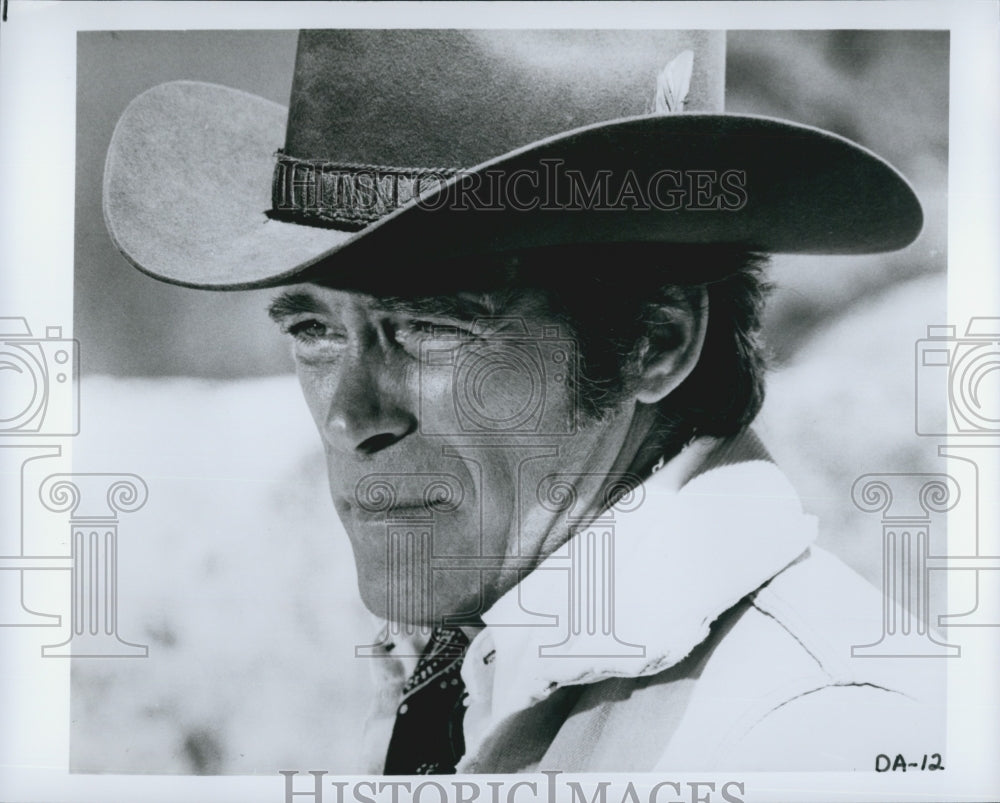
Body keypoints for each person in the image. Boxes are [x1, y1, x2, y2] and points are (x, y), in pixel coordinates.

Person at [103, 29, 941, 773]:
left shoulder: (819, 733)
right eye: (314, 330)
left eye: (430, 325)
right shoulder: (462, 669)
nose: (351, 416)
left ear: (659, 339)